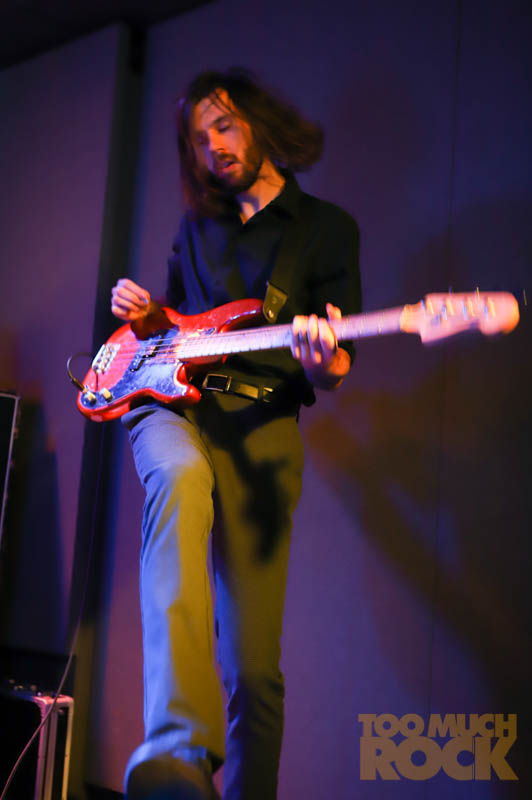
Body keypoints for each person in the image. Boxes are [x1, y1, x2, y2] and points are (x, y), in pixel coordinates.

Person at [110, 69, 361, 800]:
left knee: (253, 672)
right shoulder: (196, 228)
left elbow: (337, 365)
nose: (213, 147)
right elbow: (175, 329)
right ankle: (178, 749)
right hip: (175, 411)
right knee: (179, 478)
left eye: (224, 126)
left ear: (258, 122)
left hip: (263, 424)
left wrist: (323, 358)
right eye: (198, 139)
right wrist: (146, 315)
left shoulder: (326, 229)